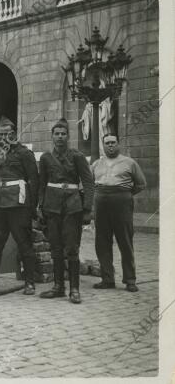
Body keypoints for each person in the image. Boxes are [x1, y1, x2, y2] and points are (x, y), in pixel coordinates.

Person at [38, 118, 94, 304]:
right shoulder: (46, 158)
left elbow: (88, 182)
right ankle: (58, 287)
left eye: (63, 134)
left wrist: (87, 208)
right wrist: (40, 206)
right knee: (55, 248)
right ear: (52, 136)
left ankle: (75, 289)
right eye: (57, 134)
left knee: (71, 248)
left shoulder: (77, 156)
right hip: (52, 206)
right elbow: (41, 184)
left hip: (72, 206)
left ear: (68, 136)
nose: (60, 137)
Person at [0, 116, 39, 295]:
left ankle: (30, 282)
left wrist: (33, 208)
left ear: (14, 133)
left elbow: (34, 180)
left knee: (23, 242)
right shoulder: (1, 153)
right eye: (1, 134)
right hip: (2, 202)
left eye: (6, 134)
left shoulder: (24, 153)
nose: (3, 137)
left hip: (19, 202)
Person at [91, 134, 146, 292]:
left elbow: (141, 184)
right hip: (101, 203)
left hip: (122, 203)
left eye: (113, 143)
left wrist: (124, 195)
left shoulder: (129, 162)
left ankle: (130, 280)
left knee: (125, 241)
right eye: (107, 143)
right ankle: (107, 279)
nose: (110, 146)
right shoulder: (96, 164)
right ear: (103, 145)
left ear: (118, 144)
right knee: (102, 242)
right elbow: (89, 183)